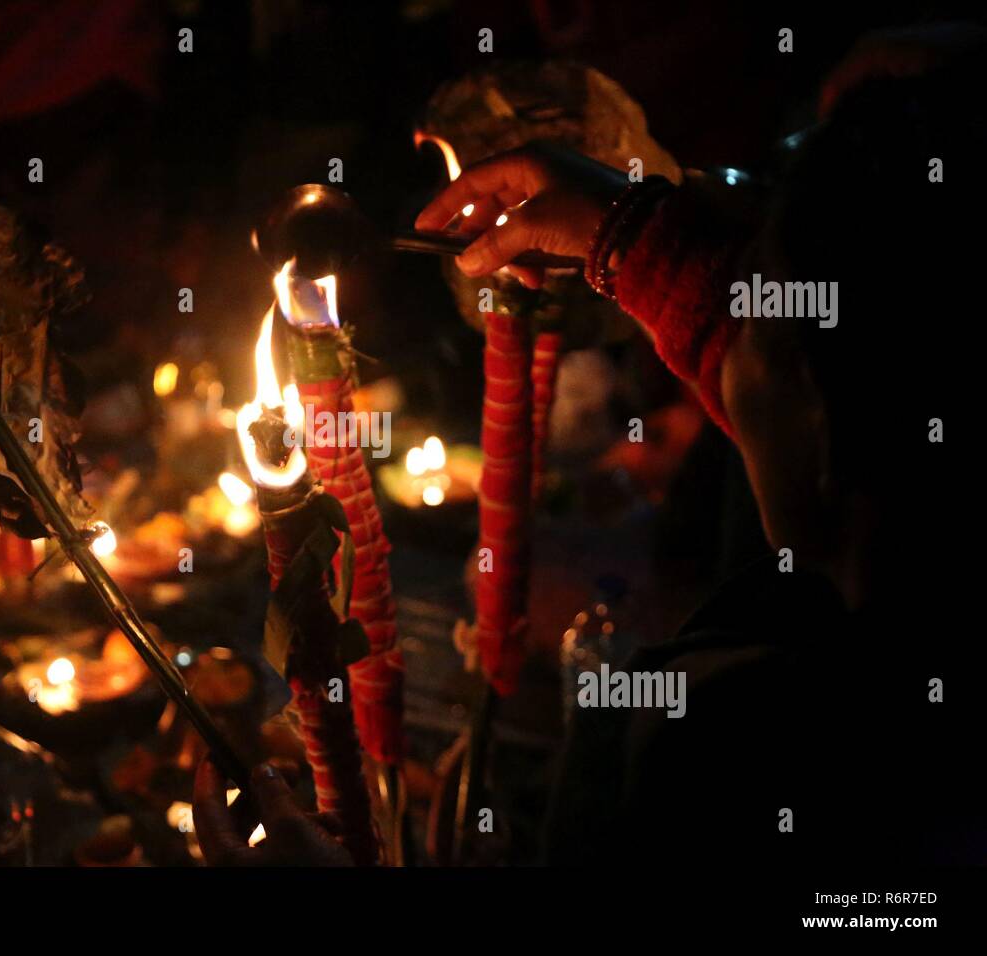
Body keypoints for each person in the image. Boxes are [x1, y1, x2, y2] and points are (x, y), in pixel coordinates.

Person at [195, 27, 984, 865]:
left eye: (753, 318)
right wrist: (632, 236)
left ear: (822, 430)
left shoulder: (760, 763)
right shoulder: (891, 599)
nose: (718, 340)